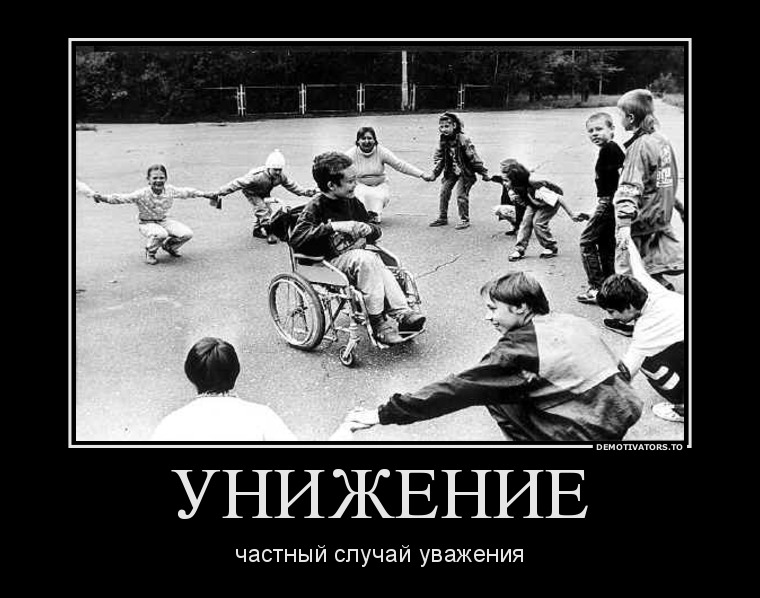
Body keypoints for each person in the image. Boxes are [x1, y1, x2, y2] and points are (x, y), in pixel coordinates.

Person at [346, 272, 642, 441]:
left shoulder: (519, 348)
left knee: (494, 393)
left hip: (589, 430)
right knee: (512, 387)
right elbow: (617, 369)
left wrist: (383, 414)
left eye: (492, 309)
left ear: (521, 307)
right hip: (621, 410)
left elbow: (458, 389)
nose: (488, 318)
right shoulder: (572, 321)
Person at [289, 151, 425, 346]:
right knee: (367, 259)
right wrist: (333, 227)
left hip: (356, 260)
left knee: (376, 262)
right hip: (326, 263)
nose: (355, 184)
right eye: (350, 181)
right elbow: (297, 238)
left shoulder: (352, 202)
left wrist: (369, 229)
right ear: (331, 185)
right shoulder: (315, 207)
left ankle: (402, 313)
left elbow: (375, 230)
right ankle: (378, 323)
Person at [151, 337, 362, 441]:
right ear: (235, 373)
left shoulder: (170, 425)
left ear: (190, 374)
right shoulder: (261, 416)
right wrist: (346, 429)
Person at [596, 239, 685, 423]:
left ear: (629, 306)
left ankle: (684, 408)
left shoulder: (647, 330)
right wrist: (626, 240)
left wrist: (593, 400)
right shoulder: (648, 288)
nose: (612, 317)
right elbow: (638, 267)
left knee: (648, 362)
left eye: (612, 311)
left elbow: (625, 373)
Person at [613, 89, 684, 289]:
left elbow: (629, 187)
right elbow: (666, 179)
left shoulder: (639, 147)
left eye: (620, 114)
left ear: (631, 117)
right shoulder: (661, 140)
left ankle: (630, 305)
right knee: (648, 264)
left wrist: (624, 224)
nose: (619, 119)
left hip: (640, 218)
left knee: (628, 269)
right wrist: (678, 206)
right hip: (658, 216)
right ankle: (661, 288)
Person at [91, 164, 216, 265]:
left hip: (163, 220)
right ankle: (150, 252)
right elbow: (121, 198)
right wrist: (102, 198)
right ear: (148, 180)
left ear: (166, 179)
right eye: (155, 178)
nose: (158, 181)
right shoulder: (141, 193)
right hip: (146, 223)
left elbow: (188, 192)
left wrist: (205, 194)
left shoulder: (170, 190)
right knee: (161, 234)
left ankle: (170, 246)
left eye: (161, 178)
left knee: (187, 233)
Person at [215, 149, 318, 245]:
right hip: (251, 193)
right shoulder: (256, 176)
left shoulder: (280, 176)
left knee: (267, 210)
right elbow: (236, 183)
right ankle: (269, 233)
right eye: (275, 170)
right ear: (268, 168)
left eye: (280, 170)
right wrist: (220, 192)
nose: (278, 172)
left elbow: (292, 186)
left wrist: (306, 192)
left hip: (264, 192)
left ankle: (257, 230)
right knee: (262, 210)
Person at [576, 112, 626, 305]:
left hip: (609, 202)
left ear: (612, 129)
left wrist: (614, 203)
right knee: (606, 244)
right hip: (609, 202)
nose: (594, 134)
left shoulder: (610, 149)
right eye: (590, 131)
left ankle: (596, 287)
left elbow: (622, 176)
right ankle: (611, 288)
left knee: (586, 241)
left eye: (599, 129)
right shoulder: (608, 149)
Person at [502, 160, 588, 262]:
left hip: (548, 205)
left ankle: (550, 247)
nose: (504, 183)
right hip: (533, 204)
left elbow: (558, 198)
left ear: (516, 180)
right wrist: (518, 199)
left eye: (506, 180)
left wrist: (571, 214)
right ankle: (519, 249)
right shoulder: (514, 188)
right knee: (525, 223)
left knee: (538, 223)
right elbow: (526, 202)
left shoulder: (534, 186)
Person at [344, 126, 430, 224]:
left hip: (380, 184)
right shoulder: (350, 154)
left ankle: (374, 216)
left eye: (370, 138)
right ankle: (361, 216)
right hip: (359, 184)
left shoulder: (381, 151)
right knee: (360, 195)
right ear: (358, 141)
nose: (367, 141)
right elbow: (338, 166)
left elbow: (400, 165)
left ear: (375, 140)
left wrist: (421, 174)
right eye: (363, 138)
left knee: (378, 197)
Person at [427, 112, 489, 230]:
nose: (444, 129)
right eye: (441, 127)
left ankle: (464, 219)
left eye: (447, 126)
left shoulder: (463, 139)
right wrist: (434, 173)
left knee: (461, 195)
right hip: (451, 171)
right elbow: (439, 158)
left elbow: (473, 157)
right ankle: (442, 217)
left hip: (465, 172)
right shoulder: (443, 140)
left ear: (454, 126)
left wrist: (483, 172)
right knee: (444, 192)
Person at [489, 159, 528, 236]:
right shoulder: (508, 179)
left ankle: (522, 228)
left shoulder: (519, 186)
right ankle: (516, 228)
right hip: (516, 208)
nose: (504, 183)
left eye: (506, 180)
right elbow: (498, 178)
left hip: (524, 211)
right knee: (500, 210)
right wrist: (488, 177)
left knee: (502, 210)